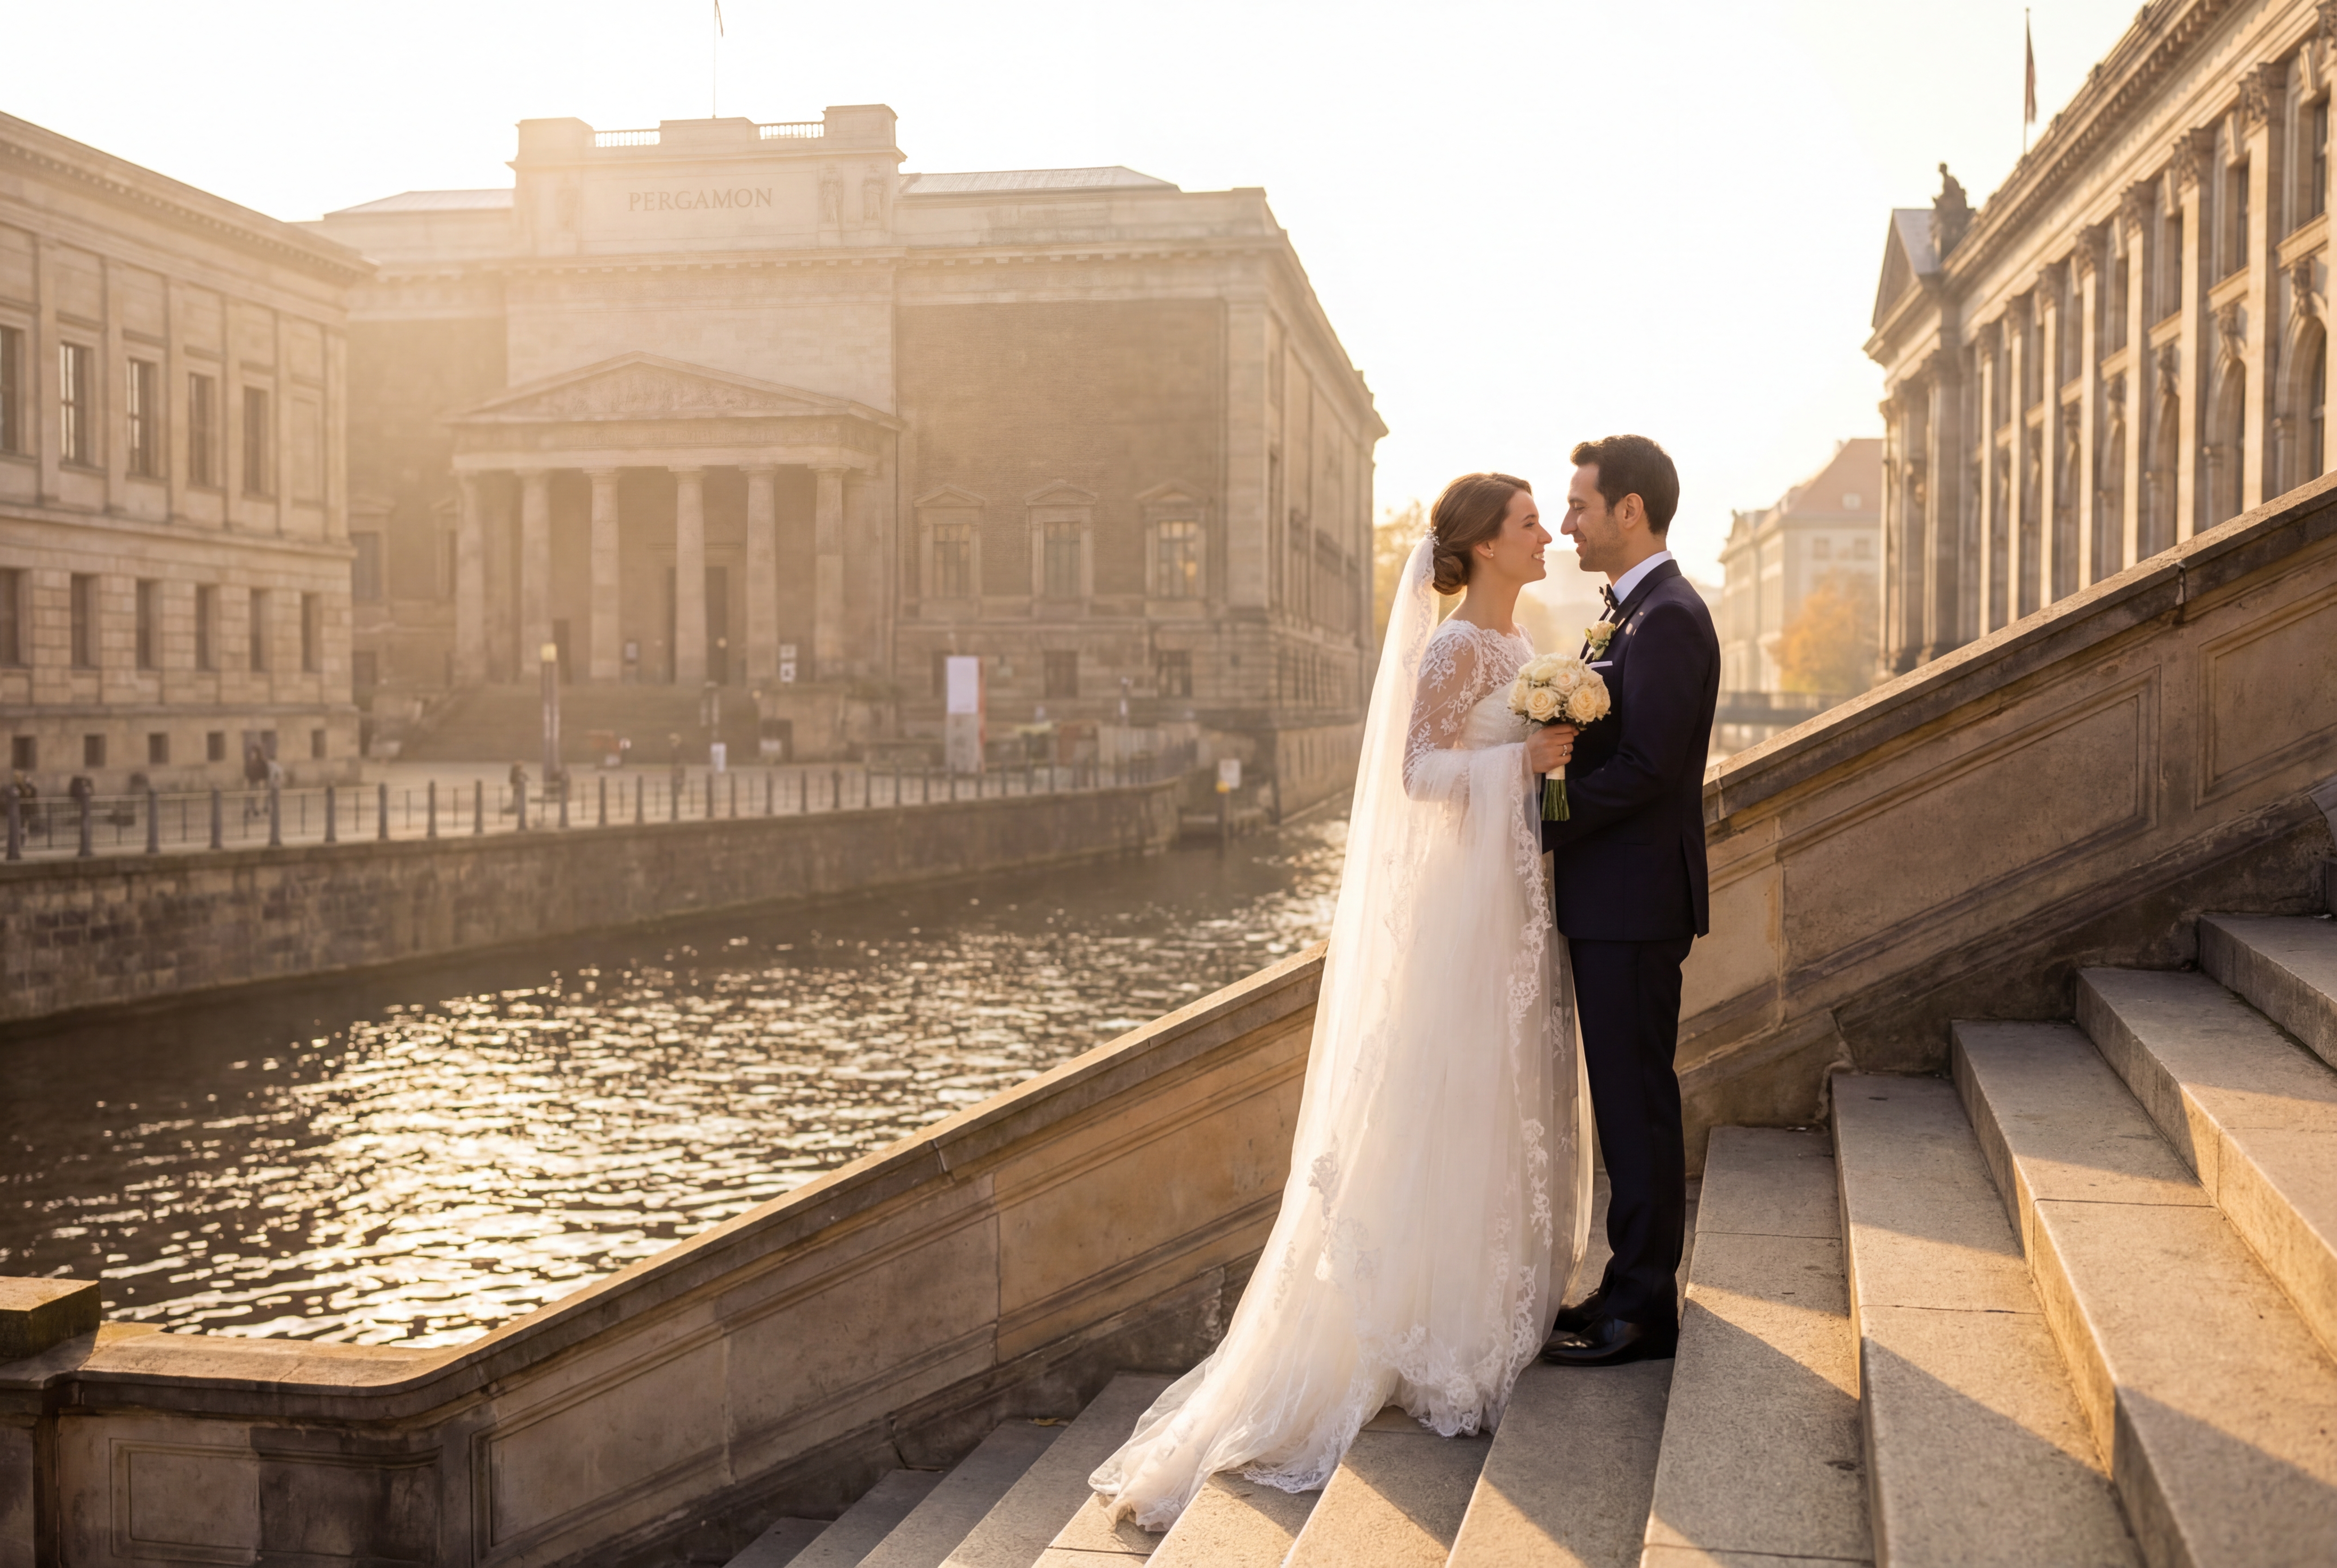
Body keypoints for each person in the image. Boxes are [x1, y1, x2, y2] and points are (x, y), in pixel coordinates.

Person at [1089, 473, 1592, 1530]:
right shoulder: (1455, 647)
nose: (1544, 531)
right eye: (1526, 521)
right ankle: (1425, 1330)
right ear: (1482, 545)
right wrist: (1521, 762)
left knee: (1503, 1094)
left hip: (1511, 900)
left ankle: (1488, 1302)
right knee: (1443, 1095)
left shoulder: (1528, 638)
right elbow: (1417, 771)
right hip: (1462, 911)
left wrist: (1546, 768)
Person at [1530, 435, 1719, 1369]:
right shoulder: (1630, 613)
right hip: (1609, 901)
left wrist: (1537, 815)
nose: (1567, 522)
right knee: (1619, 1098)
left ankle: (1643, 1304)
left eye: (1579, 505)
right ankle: (1624, 1278)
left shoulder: (1670, 619)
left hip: (1634, 903)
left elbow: (1648, 768)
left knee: (1638, 1100)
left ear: (1629, 510)